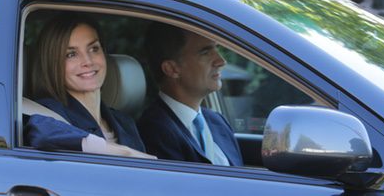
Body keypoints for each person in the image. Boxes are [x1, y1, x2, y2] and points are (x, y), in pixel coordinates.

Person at [24, 13, 155, 159]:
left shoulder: (124, 123)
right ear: (52, 64)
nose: (88, 61)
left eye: (94, 49)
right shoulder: (49, 112)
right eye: (71, 54)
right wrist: (125, 153)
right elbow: (41, 131)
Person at [137, 22, 243, 166]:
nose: (221, 61)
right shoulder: (154, 131)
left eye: (216, 49)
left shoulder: (217, 121)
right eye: (205, 53)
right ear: (172, 69)